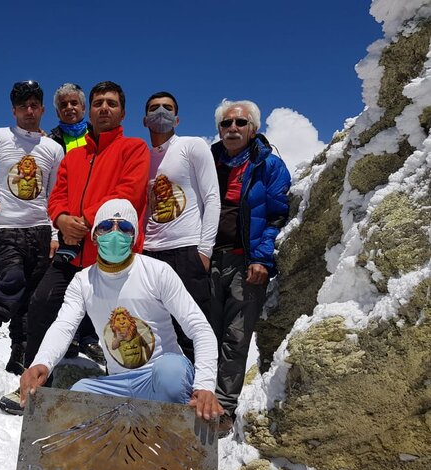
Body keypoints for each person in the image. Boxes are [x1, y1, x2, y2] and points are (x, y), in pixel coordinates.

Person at [0, 81, 151, 415]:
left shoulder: (134, 149)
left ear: (122, 111)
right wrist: (61, 218)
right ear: (90, 110)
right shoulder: (73, 157)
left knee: (120, 324)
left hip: (114, 259)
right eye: (98, 103)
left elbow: (129, 194)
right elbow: (57, 195)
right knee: (41, 305)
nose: (104, 108)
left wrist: (82, 220)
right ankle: (36, 388)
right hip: (71, 254)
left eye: (111, 103)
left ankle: (129, 400)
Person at [18, 199, 223, 423]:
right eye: (106, 226)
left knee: (170, 371)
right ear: (95, 235)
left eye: (124, 227)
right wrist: (42, 362)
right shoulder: (82, 281)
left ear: (133, 237)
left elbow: (199, 327)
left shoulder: (157, 272)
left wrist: (204, 385)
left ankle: (177, 432)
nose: (115, 233)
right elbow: (64, 326)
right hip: (118, 382)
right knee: (78, 394)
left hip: (161, 378)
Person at [0, 81, 64, 375]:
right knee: (13, 281)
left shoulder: (54, 149)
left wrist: (55, 235)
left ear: (42, 109)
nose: (29, 111)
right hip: (8, 228)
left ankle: (20, 351)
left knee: (32, 297)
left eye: (34, 105)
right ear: (13, 110)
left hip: (42, 231)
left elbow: (56, 196)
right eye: (22, 106)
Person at [210, 99, 290, 434]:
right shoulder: (209, 160)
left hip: (246, 262)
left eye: (240, 123)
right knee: (203, 332)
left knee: (236, 336)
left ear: (253, 129)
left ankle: (223, 407)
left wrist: (261, 258)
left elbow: (276, 215)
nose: (232, 129)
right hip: (209, 258)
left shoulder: (268, 165)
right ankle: (198, 395)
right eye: (226, 124)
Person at [142, 91, 220, 362]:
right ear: (144, 120)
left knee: (191, 328)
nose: (160, 112)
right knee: (156, 330)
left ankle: (198, 395)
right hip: (150, 252)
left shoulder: (192, 145)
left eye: (167, 108)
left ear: (177, 119)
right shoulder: (142, 157)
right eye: (154, 108)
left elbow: (212, 197)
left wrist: (205, 251)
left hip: (186, 249)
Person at [47, 83, 103, 364]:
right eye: (64, 105)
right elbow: (50, 187)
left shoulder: (100, 137)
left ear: (83, 108)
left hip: (94, 221)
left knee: (94, 281)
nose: (70, 108)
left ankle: (90, 338)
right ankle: (68, 339)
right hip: (63, 221)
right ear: (58, 111)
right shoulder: (50, 141)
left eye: (74, 104)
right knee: (67, 283)